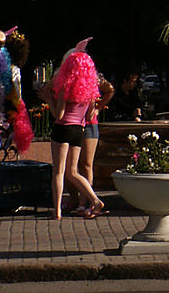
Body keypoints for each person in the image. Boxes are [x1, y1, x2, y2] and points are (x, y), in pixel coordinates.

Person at [40, 39, 106, 220]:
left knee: (59, 172)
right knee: (74, 171)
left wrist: (49, 100)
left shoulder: (65, 89)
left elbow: (59, 115)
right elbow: (89, 115)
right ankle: (94, 199)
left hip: (63, 129)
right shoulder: (90, 91)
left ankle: (57, 210)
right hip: (79, 130)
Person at [65, 72, 115, 214]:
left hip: (88, 125)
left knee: (86, 164)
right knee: (70, 166)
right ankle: (75, 199)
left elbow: (110, 89)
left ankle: (84, 202)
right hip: (74, 124)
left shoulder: (92, 78)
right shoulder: (69, 78)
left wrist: (98, 108)